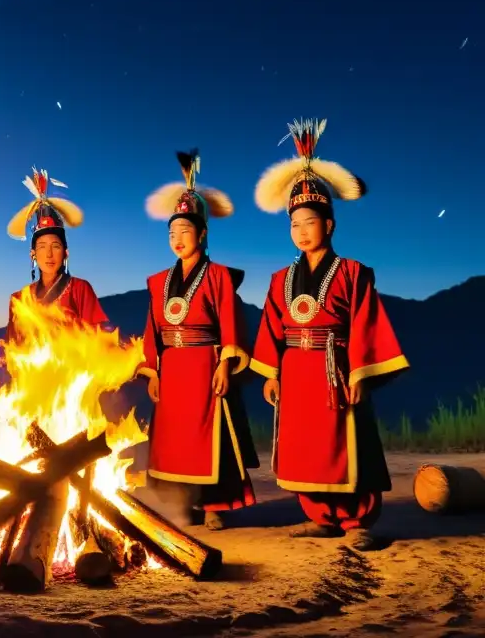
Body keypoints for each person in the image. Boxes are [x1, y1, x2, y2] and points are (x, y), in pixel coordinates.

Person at [250, 118, 409, 551]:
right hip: (295, 369)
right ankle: (320, 515)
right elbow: (270, 327)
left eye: (310, 222)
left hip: (335, 366)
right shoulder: (280, 277)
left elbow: (365, 322)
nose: (301, 230)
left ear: (330, 225)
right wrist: (270, 373)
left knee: (346, 441)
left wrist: (359, 374)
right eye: (294, 223)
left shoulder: (353, 273)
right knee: (305, 444)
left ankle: (358, 521)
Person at [138, 150, 259, 530]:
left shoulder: (219, 276)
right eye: (171, 232)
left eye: (185, 232)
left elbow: (229, 323)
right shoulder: (158, 282)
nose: (177, 239)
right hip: (171, 367)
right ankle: (182, 503)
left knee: (211, 436)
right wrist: (152, 372)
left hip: (206, 364)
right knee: (176, 440)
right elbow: (151, 332)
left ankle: (214, 505)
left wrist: (225, 363)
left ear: (202, 234)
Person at [4, 166, 107, 338]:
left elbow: (98, 338)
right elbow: (12, 347)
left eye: (56, 246)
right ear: (33, 254)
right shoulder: (20, 299)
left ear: (66, 253)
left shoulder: (80, 289)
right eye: (42, 247)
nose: (49, 254)